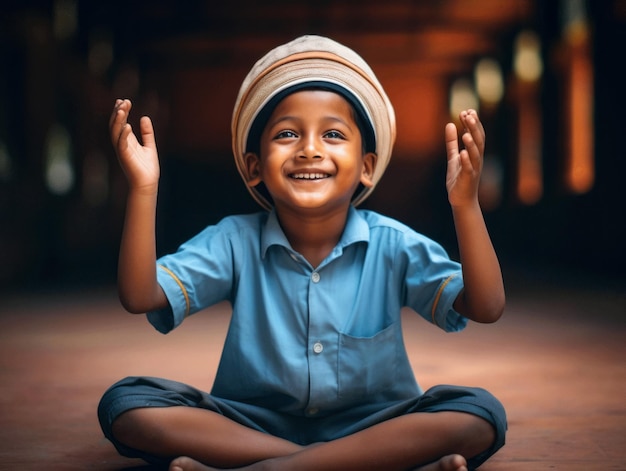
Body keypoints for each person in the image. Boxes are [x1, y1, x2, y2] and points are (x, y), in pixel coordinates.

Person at [98, 35, 507, 471]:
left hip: (375, 422)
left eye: (332, 134)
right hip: (252, 424)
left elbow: (486, 306)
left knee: (480, 414)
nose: (310, 148)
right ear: (255, 167)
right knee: (126, 404)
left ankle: (268, 467)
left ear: (366, 167)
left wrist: (465, 204)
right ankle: (358, 463)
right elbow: (140, 296)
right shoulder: (235, 240)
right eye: (288, 133)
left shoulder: (393, 243)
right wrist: (143, 189)